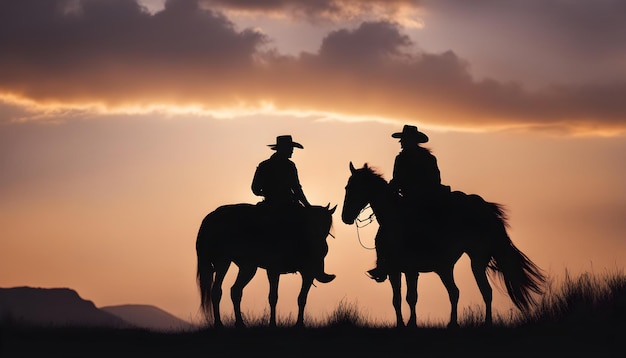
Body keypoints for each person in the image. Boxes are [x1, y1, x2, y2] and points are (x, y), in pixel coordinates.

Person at [367, 124, 447, 282]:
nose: (401, 143)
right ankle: (384, 264)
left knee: (388, 229)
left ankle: (385, 264)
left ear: (411, 140)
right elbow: (435, 179)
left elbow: (399, 181)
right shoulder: (427, 158)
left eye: (403, 139)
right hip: (417, 197)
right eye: (401, 140)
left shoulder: (405, 158)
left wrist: (400, 189)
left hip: (420, 199)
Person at [252, 135, 335, 284]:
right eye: (290, 148)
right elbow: (297, 189)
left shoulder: (264, 165)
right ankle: (317, 269)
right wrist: (307, 206)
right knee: (312, 232)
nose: (292, 152)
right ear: (283, 149)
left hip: (269, 205)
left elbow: (255, 189)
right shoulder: (289, 166)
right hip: (287, 206)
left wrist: (268, 193)